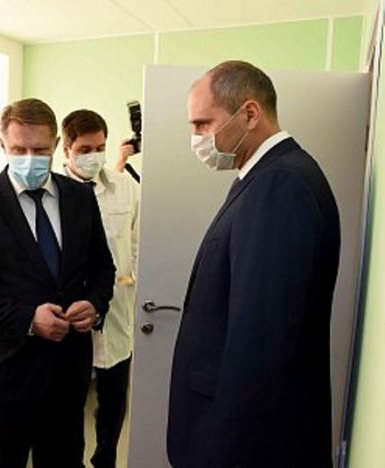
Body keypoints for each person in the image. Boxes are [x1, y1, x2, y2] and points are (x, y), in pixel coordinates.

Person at [167, 60, 340, 467]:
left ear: (248, 114)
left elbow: (259, 338)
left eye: (203, 124)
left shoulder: (281, 184)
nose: (196, 138)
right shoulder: (263, 177)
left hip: (250, 445)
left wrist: (222, 451)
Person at [0, 98, 115, 468]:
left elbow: (102, 267)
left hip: (69, 370)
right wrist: (27, 319)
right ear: (2, 145)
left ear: (55, 145)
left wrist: (95, 303)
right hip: (9, 372)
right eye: (19, 149)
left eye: (40, 150)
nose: (30, 158)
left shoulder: (80, 197)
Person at [60, 109, 139, 468]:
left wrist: (129, 281)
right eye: (84, 149)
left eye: (100, 148)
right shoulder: (52, 193)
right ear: (67, 150)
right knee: (69, 403)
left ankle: (105, 458)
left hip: (117, 312)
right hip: (71, 316)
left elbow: (137, 243)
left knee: (112, 400)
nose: (94, 156)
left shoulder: (125, 188)